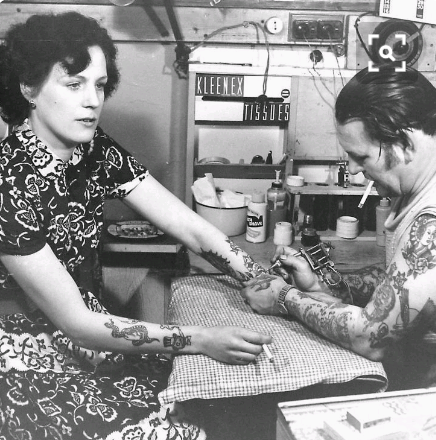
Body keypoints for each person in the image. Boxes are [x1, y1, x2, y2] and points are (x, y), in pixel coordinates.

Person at [0, 11, 272, 440]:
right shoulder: (7, 183)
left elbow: (192, 227)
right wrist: (201, 338)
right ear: (28, 88)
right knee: (182, 431)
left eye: (100, 85)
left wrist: (259, 279)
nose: (92, 100)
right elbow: (73, 321)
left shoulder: (93, 148)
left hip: (93, 344)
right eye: (74, 84)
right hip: (28, 360)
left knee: (217, 403)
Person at [242, 65, 436, 391]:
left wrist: (285, 298)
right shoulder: (415, 188)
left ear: (405, 143)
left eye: (361, 157)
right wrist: (326, 284)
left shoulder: (431, 224)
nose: (357, 172)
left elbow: (371, 337)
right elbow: (401, 280)